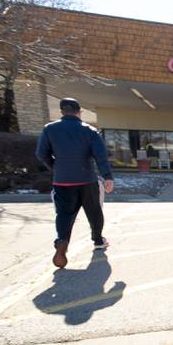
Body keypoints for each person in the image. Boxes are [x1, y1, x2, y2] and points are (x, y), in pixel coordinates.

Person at [36, 98, 114, 268]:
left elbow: (41, 154)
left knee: (64, 214)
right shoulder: (90, 131)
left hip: (62, 181)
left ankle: (62, 240)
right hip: (87, 179)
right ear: (79, 112)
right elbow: (100, 156)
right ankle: (98, 239)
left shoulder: (50, 129)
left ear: (62, 112)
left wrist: (55, 167)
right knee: (94, 211)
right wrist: (107, 177)